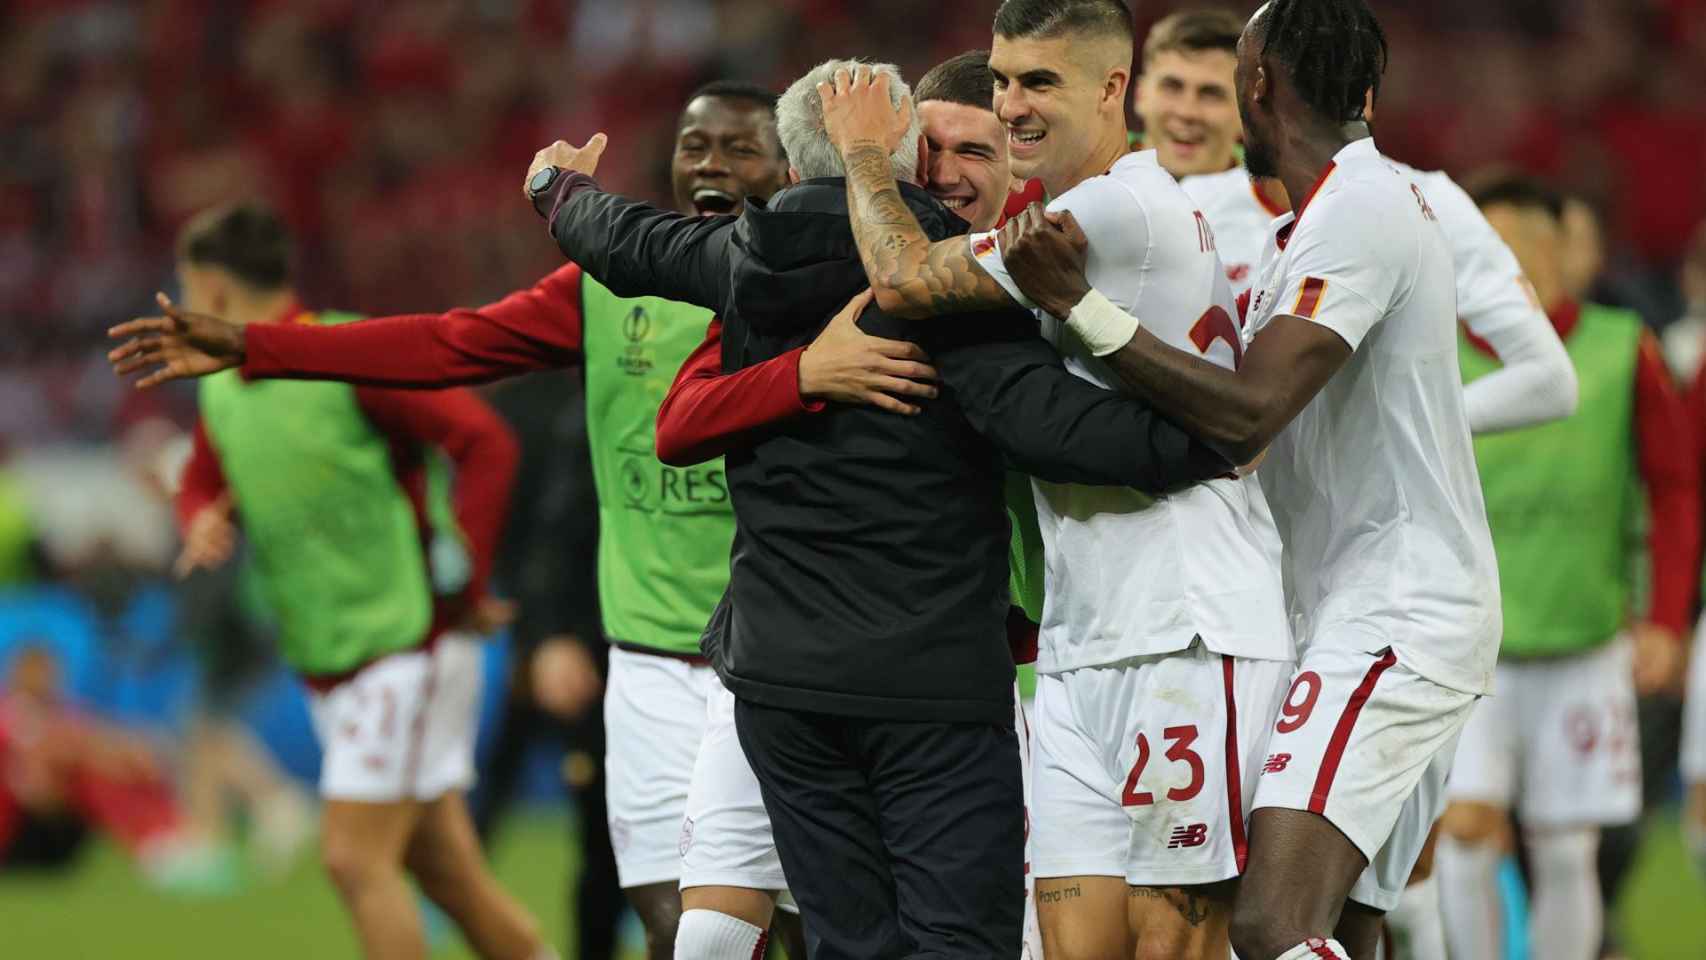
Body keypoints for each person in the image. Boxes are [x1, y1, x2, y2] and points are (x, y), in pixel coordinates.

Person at [108, 82, 930, 960]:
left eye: (739, 147)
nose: (713, 165)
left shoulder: (836, 293)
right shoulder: (609, 289)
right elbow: (447, 344)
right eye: (696, 148)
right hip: (648, 666)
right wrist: (258, 346)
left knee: (797, 927)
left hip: (779, 664)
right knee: (672, 927)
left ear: (789, 166)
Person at [534, 53, 1235, 957]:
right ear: (902, 169)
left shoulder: (742, 258)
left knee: (846, 943)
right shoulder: (956, 287)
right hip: (930, 681)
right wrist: (1215, 432)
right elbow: (1052, 425)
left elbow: (625, 241)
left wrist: (556, 189)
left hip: (782, 682)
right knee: (955, 940)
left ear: (789, 169)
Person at [994, 2, 1504, 957]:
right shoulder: (1310, 227)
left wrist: (1082, 309)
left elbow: (1246, 414)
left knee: (1272, 923)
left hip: (1393, 614)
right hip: (1353, 609)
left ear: (1257, 83)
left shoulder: (1362, 210)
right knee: (1347, 926)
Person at [820, 4, 1295, 957]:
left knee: (1177, 943)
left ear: (1114, 88)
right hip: (1079, 642)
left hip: (1186, 628)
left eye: (1039, 83)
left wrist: (865, 156)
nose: (1010, 106)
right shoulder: (1063, 220)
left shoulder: (1121, 205)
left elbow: (906, 282)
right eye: (1000, 80)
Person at [650, 50, 1048, 959]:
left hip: (1014, 662)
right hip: (805, 655)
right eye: (930, 151)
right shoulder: (805, 273)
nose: (946, 173)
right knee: (723, 935)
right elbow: (681, 418)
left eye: (974, 153)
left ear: (1022, 168)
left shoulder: (1043, 274)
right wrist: (803, 372)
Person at [164, 203, 547, 960]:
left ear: (210, 285)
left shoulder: (347, 351)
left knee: (352, 858)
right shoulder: (219, 382)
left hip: (405, 642)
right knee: (447, 877)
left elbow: (483, 439)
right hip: (328, 656)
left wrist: (463, 583)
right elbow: (201, 480)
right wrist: (199, 518)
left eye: (182, 284)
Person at [1432, 175, 1701, 960]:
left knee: (1564, 847)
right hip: (1460, 647)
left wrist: (1665, 619)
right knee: (1467, 833)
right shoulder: (1428, 349)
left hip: (1583, 641)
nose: (1503, 265)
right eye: (1484, 247)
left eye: (1520, 245)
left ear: (1563, 250)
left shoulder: (1622, 348)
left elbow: (1675, 488)